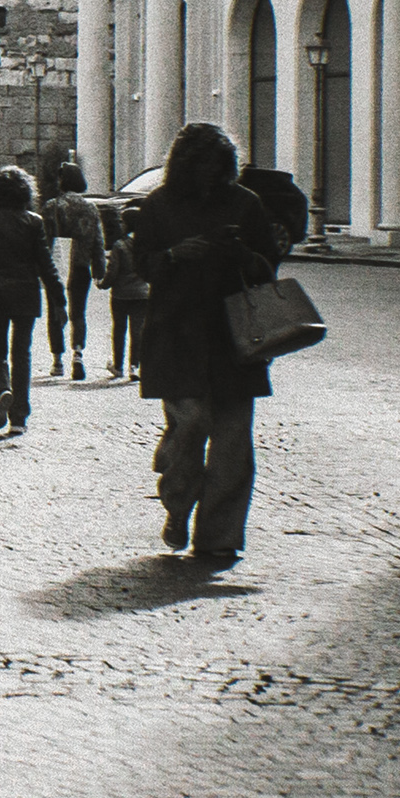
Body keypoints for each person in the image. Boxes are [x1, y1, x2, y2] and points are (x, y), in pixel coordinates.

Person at [132, 121, 283, 565]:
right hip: (176, 334)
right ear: (186, 165)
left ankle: (219, 537)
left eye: (219, 167)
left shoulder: (245, 204)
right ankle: (178, 504)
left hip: (235, 337)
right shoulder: (158, 205)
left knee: (233, 446)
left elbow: (267, 268)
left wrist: (242, 255)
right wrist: (175, 255)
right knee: (190, 426)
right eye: (204, 166)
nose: (212, 175)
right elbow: (141, 265)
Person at [0, 165, 64, 434]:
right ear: (25, 192)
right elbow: (46, 264)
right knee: (22, 354)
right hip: (26, 295)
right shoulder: (34, 222)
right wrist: (59, 298)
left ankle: (3, 389)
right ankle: (19, 418)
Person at [41, 162, 106, 380]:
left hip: (56, 264)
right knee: (78, 312)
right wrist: (99, 270)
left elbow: (43, 240)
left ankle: (57, 360)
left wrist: (40, 267)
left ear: (62, 181)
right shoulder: (90, 208)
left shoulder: (52, 206)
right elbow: (98, 241)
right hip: (81, 264)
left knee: (55, 310)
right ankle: (77, 354)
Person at [99, 204, 149, 386]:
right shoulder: (146, 245)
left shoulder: (119, 246)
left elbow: (113, 271)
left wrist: (103, 284)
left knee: (119, 330)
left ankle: (118, 366)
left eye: (122, 221)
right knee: (138, 331)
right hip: (142, 294)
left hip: (121, 295)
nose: (120, 224)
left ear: (127, 224)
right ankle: (134, 366)